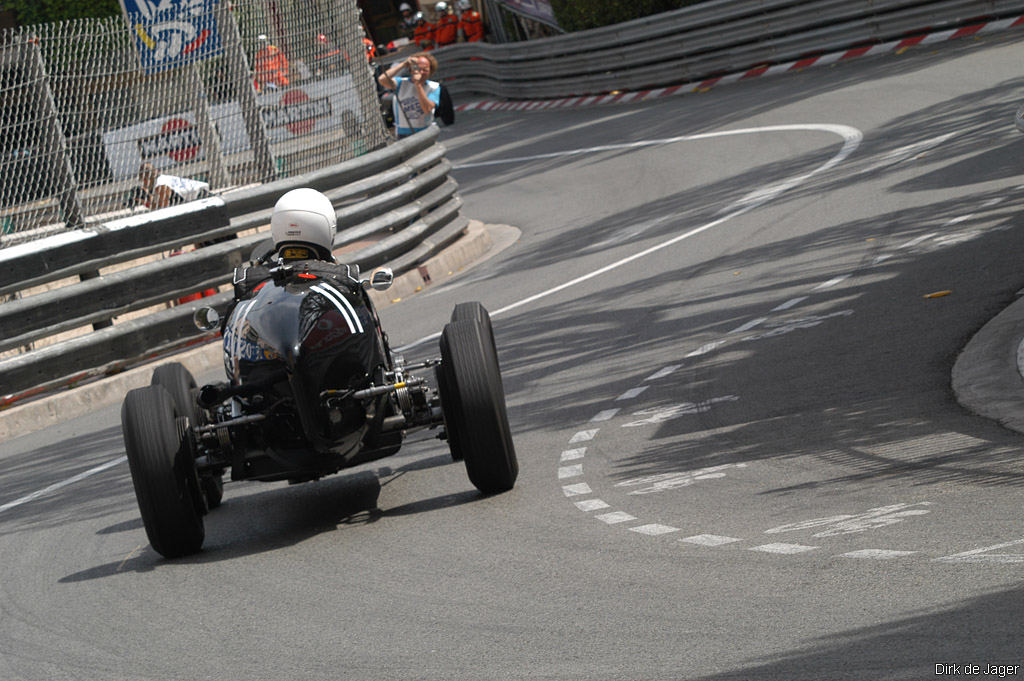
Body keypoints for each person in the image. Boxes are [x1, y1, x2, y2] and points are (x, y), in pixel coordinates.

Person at [377, 53, 440, 138]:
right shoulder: (401, 83)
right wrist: (404, 64)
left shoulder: (433, 87)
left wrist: (418, 85)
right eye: (419, 69)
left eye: (425, 70)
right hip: (403, 132)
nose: (421, 72)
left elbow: (427, 109)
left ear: (430, 71)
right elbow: (382, 79)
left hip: (425, 131)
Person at [133, 163, 210, 210]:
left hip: (202, 197)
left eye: (143, 180)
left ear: (145, 179)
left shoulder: (161, 185)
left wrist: (147, 201)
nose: (144, 183)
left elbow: (164, 210)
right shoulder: (162, 179)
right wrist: (146, 201)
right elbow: (160, 205)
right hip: (199, 196)